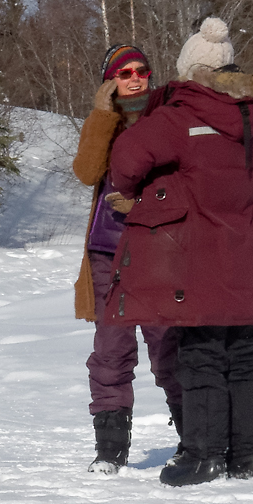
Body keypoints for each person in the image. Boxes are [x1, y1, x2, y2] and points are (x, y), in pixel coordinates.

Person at [108, 17, 253, 486]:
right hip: (248, 250)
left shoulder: (182, 114)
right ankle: (252, 455)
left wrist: (133, 190)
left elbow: (125, 159)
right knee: (246, 354)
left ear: (188, 68)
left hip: (200, 253)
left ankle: (203, 456)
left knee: (200, 353)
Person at [73, 43, 179, 474]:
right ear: (110, 81)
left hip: (157, 250)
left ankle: (194, 438)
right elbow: (86, 172)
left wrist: (146, 206)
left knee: (168, 345)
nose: (135, 77)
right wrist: (102, 115)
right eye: (123, 72)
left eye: (141, 70)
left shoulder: (167, 118)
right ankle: (110, 450)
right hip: (106, 252)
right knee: (111, 349)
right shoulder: (104, 123)